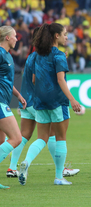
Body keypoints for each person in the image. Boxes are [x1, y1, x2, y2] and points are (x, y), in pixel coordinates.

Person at [6, 28, 79, 179]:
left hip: (31, 99)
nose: (66, 37)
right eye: (64, 34)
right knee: (56, 137)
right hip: (48, 100)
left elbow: (32, 79)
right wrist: (72, 99)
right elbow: (58, 79)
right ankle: (60, 173)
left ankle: (13, 167)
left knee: (27, 136)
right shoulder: (55, 55)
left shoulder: (33, 56)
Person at [0, 26, 26, 189]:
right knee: (16, 138)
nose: (17, 39)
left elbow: (7, 82)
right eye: (15, 36)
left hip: (4, 100)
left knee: (2, 141)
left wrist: (18, 95)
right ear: (7, 38)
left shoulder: (8, 55)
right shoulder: (0, 53)